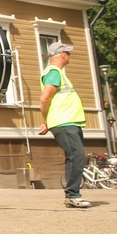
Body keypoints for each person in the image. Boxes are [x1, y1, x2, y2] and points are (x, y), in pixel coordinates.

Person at [39, 42, 91, 208]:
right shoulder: (54, 72)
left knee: (75, 157)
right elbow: (44, 99)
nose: (69, 56)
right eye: (68, 53)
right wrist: (46, 120)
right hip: (63, 122)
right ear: (62, 54)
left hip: (68, 121)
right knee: (76, 156)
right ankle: (73, 194)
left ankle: (73, 194)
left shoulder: (57, 73)